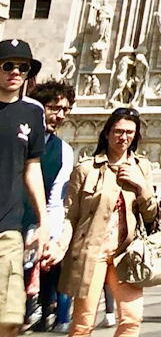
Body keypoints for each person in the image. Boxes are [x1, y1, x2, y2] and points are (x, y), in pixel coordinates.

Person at [53, 107, 155, 337]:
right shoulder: (86, 169)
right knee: (83, 322)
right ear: (107, 134)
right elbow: (71, 214)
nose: (124, 137)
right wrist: (60, 245)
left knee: (131, 318)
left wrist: (141, 186)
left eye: (130, 132)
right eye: (118, 131)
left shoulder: (142, 168)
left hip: (126, 253)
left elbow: (151, 215)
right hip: (91, 250)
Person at [0, 40, 48, 337]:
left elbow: (32, 168)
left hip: (9, 228)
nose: (15, 72)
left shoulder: (33, 112)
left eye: (23, 67)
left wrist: (44, 222)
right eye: (8, 65)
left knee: (10, 316)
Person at [27, 80, 74, 334]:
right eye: (54, 107)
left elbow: (56, 200)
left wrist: (53, 238)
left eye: (65, 109)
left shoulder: (64, 151)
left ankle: (48, 311)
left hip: (35, 231)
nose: (60, 115)